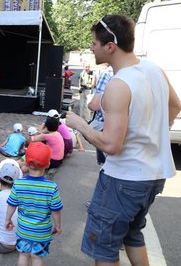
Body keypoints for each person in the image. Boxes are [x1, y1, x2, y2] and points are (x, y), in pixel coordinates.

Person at [66, 14, 180, 265]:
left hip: (123, 180)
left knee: (104, 248)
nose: (91, 47)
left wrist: (80, 125)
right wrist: (155, 129)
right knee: (132, 234)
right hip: (152, 177)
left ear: (110, 46)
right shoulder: (153, 69)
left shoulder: (118, 85)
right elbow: (176, 104)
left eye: (94, 43)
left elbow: (111, 145)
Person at [5, 142, 63, 266]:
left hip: (24, 229)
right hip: (42, 231)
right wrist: (58, 225)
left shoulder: (18, 184)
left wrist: (7, 219)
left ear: (26, 163)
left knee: (23, 255)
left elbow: (11, 204)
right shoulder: (51, 187)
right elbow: (56, 210)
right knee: (37, 257)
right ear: (47, 164)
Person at [87, 63, 114, 165]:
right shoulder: (135, 73)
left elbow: (95, 105)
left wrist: (89, 104)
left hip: (104, 125)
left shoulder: (107, 74)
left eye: (94, 45)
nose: (91, 49)